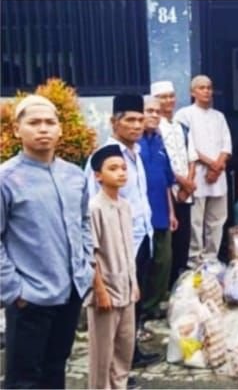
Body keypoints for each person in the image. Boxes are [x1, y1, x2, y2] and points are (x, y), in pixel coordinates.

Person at [1, 95, 94, 389]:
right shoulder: (6, 179)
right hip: (31, 297)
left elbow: (84, 222)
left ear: (60, 129)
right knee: (24, 381)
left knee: (55, 371)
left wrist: (86, 267)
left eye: (50, 122)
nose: (43, 129)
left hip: (70, 292)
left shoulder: (74, 175)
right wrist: (15, 290)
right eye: (34, 123)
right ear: (17, 130)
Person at [84, 94, 158, 370]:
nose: (137, 125)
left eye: (140, 119)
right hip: (113, 248)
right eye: (130, 120)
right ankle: (112, 371)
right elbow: (91, 208)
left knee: (131, 306)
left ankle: (130, 357)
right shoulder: (105, 158)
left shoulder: (135, 154)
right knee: (112, 312)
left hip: (139, 238)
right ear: (114, 122)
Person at [87, 144, 139, 390]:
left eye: (123, 168)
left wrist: (134, 284)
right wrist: (100, 290)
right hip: (105, 292)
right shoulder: (94, 208)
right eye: (113, 168)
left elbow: (129, 250)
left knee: (124, 351)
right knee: (102, 356)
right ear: (98, 175)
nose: (120, 173)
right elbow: (91, 254)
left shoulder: (125, 206)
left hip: (126, 291)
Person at [175, 75, 232, 265]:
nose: (206, 91)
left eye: (209, 87)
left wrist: (216, 168)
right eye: (201, 88)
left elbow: (226, 146)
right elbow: (184, 145)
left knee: (217, 220)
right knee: (195, 221)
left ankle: (211, 258)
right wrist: (211, 164)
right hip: (197, 174)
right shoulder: (184, 114)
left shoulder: (219, 116)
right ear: (193, 92)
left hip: (217, 176)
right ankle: (195, 261)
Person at [151, 80, 195, 286]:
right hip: (167, 193)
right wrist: (182, 183)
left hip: (186, 192)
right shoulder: (153, 129)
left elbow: (191, 158)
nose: (168, 101)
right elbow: (163, 164)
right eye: (163, 97)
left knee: (184, 239)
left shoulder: (181, 127)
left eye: (171, 96)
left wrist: (188, 185)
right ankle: (165, 287)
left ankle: (180, 283)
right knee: (167, 243)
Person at [139, 97, 177, 322]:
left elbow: (166, 181)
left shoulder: (160, 143)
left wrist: (171, 212)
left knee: (163, 261)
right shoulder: (134, 146)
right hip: (140, 216)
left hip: (161, 212)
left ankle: (152, 305)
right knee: (143, 263)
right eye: (149, 111)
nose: (154, 115)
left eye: (157, 112)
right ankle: (141, 310)